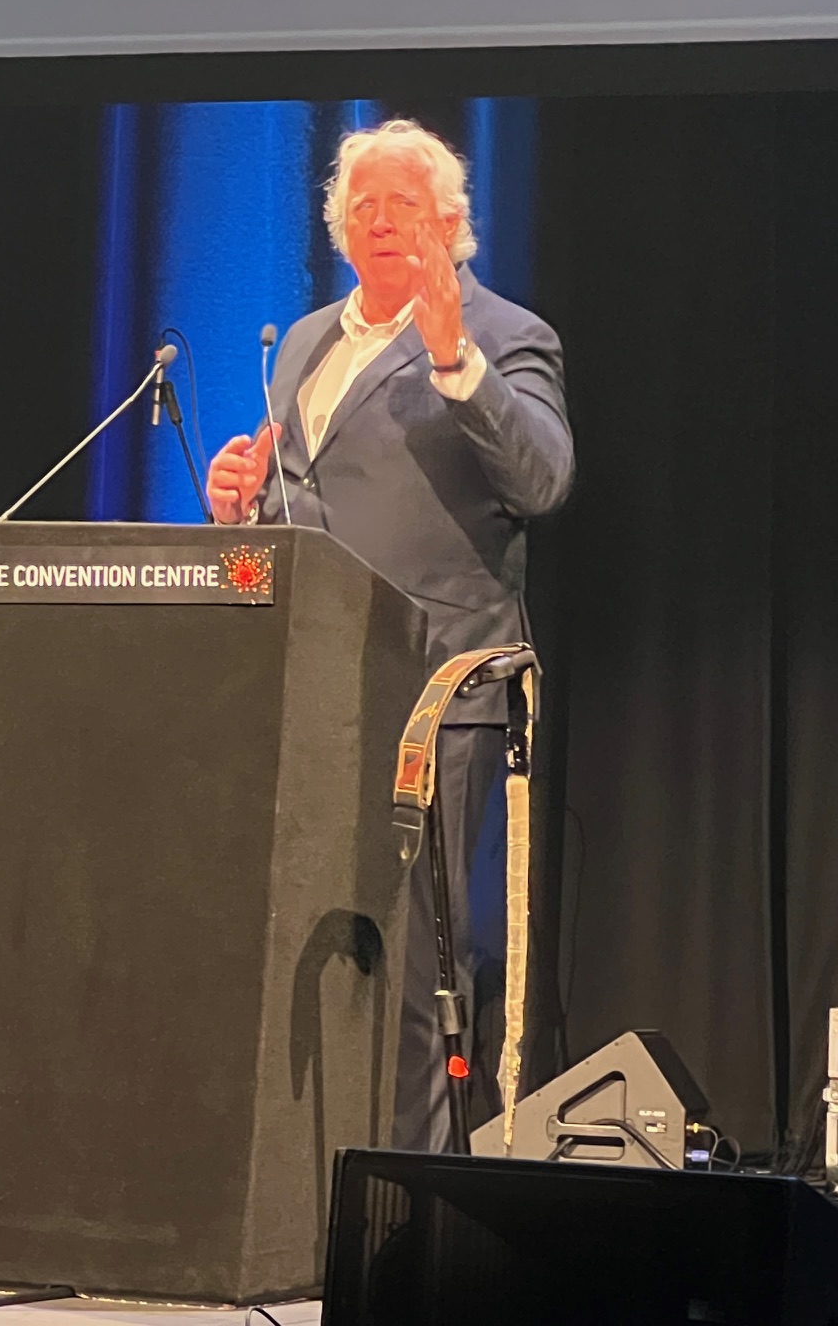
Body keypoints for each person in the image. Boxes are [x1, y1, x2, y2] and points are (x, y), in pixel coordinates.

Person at [205, 119, 573, 1151]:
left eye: (402, 204)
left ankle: (413, 1197)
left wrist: (455, 360)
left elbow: (544, 481)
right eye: (360, 205)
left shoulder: (505, 334)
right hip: (311, 691)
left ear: (450, 225)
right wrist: (239, 508)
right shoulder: (307, 343)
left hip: (435, 696)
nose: (378, 221)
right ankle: (313, 1182)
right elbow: (301, 515)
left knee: (416, 967)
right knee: (308, 947)